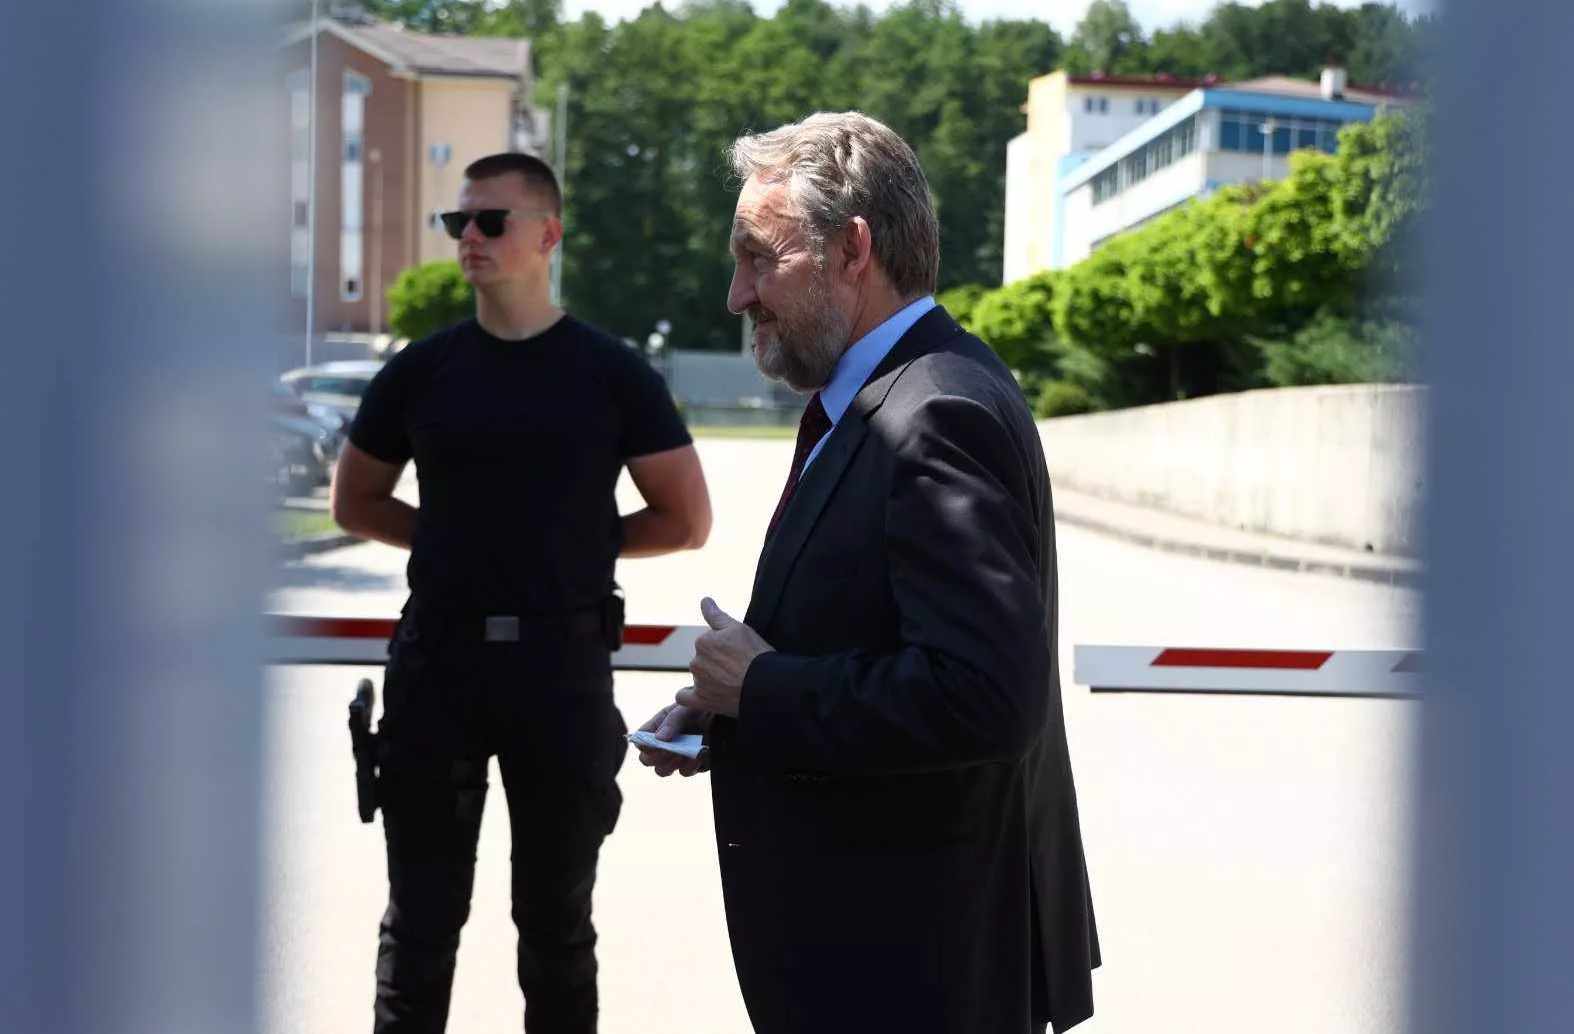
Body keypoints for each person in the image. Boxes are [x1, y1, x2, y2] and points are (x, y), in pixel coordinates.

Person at [636, 111, 1100, 1034]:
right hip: (891, 955)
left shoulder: (934, 414)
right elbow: (886, 636)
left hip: (911, 970)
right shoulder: (899, 394)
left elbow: (984, 695)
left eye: (759, 258)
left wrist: (763, 688)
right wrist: (730, 707)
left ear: (852, 249)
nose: (737, 295)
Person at [331, 150, 712, 1034]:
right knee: (420, 921)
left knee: (555, 924)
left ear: (548, 235)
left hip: (561, 669)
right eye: (457, 221)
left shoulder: (612, 373)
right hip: (437, 665)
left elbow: (685, 518)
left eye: (490, 220)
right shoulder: (420, 371)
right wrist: (461, 543)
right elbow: (356, 502)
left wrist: (568, 548)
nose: (468, 235)